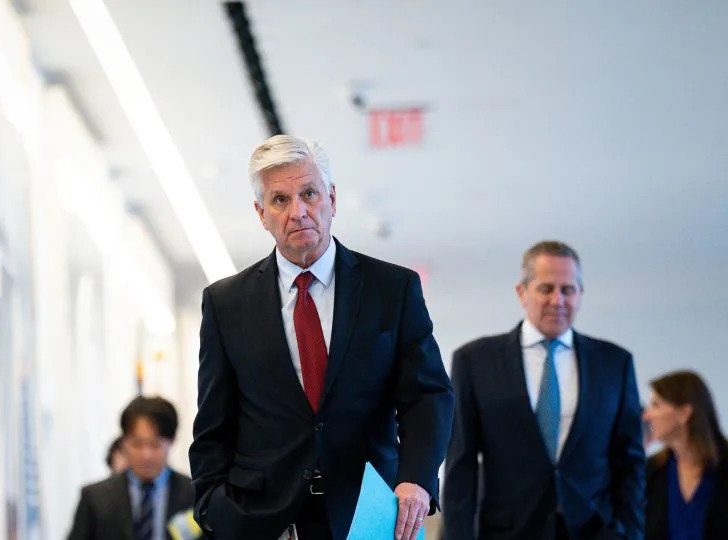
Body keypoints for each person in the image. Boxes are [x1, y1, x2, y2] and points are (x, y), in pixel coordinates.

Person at [189, 135, 453, 539]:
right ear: (261, 213)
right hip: (262, 519)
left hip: (370, 514)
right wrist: (212, 509)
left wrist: (417, 478)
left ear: (331, 198)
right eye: (280, 200)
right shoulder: (226, 304)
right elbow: (213, 422)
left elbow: (427, 395)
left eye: (309, 194)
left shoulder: (391, 289)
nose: (298, 212)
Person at [443, 240, 645, 539]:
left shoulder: (614, 363)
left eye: (568, 290)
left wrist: (631, 532)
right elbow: (460, 464)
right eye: (546, 288)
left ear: (580, 294)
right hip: (507, 531)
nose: (557, 300)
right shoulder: (475, 361)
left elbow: (630, 460)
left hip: (595, 530)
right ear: (522, 292)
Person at [68, 397, 196, 540]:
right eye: (137, 444)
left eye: (155, 445)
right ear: (123, 442)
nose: (146, 455)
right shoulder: (95, 499)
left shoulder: (195, 496)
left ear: (172, 441)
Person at [643, 371, 728, 540]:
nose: (646, 415)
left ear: (684, 413)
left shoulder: (723, 469)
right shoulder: (652, 471)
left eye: (656, 405)